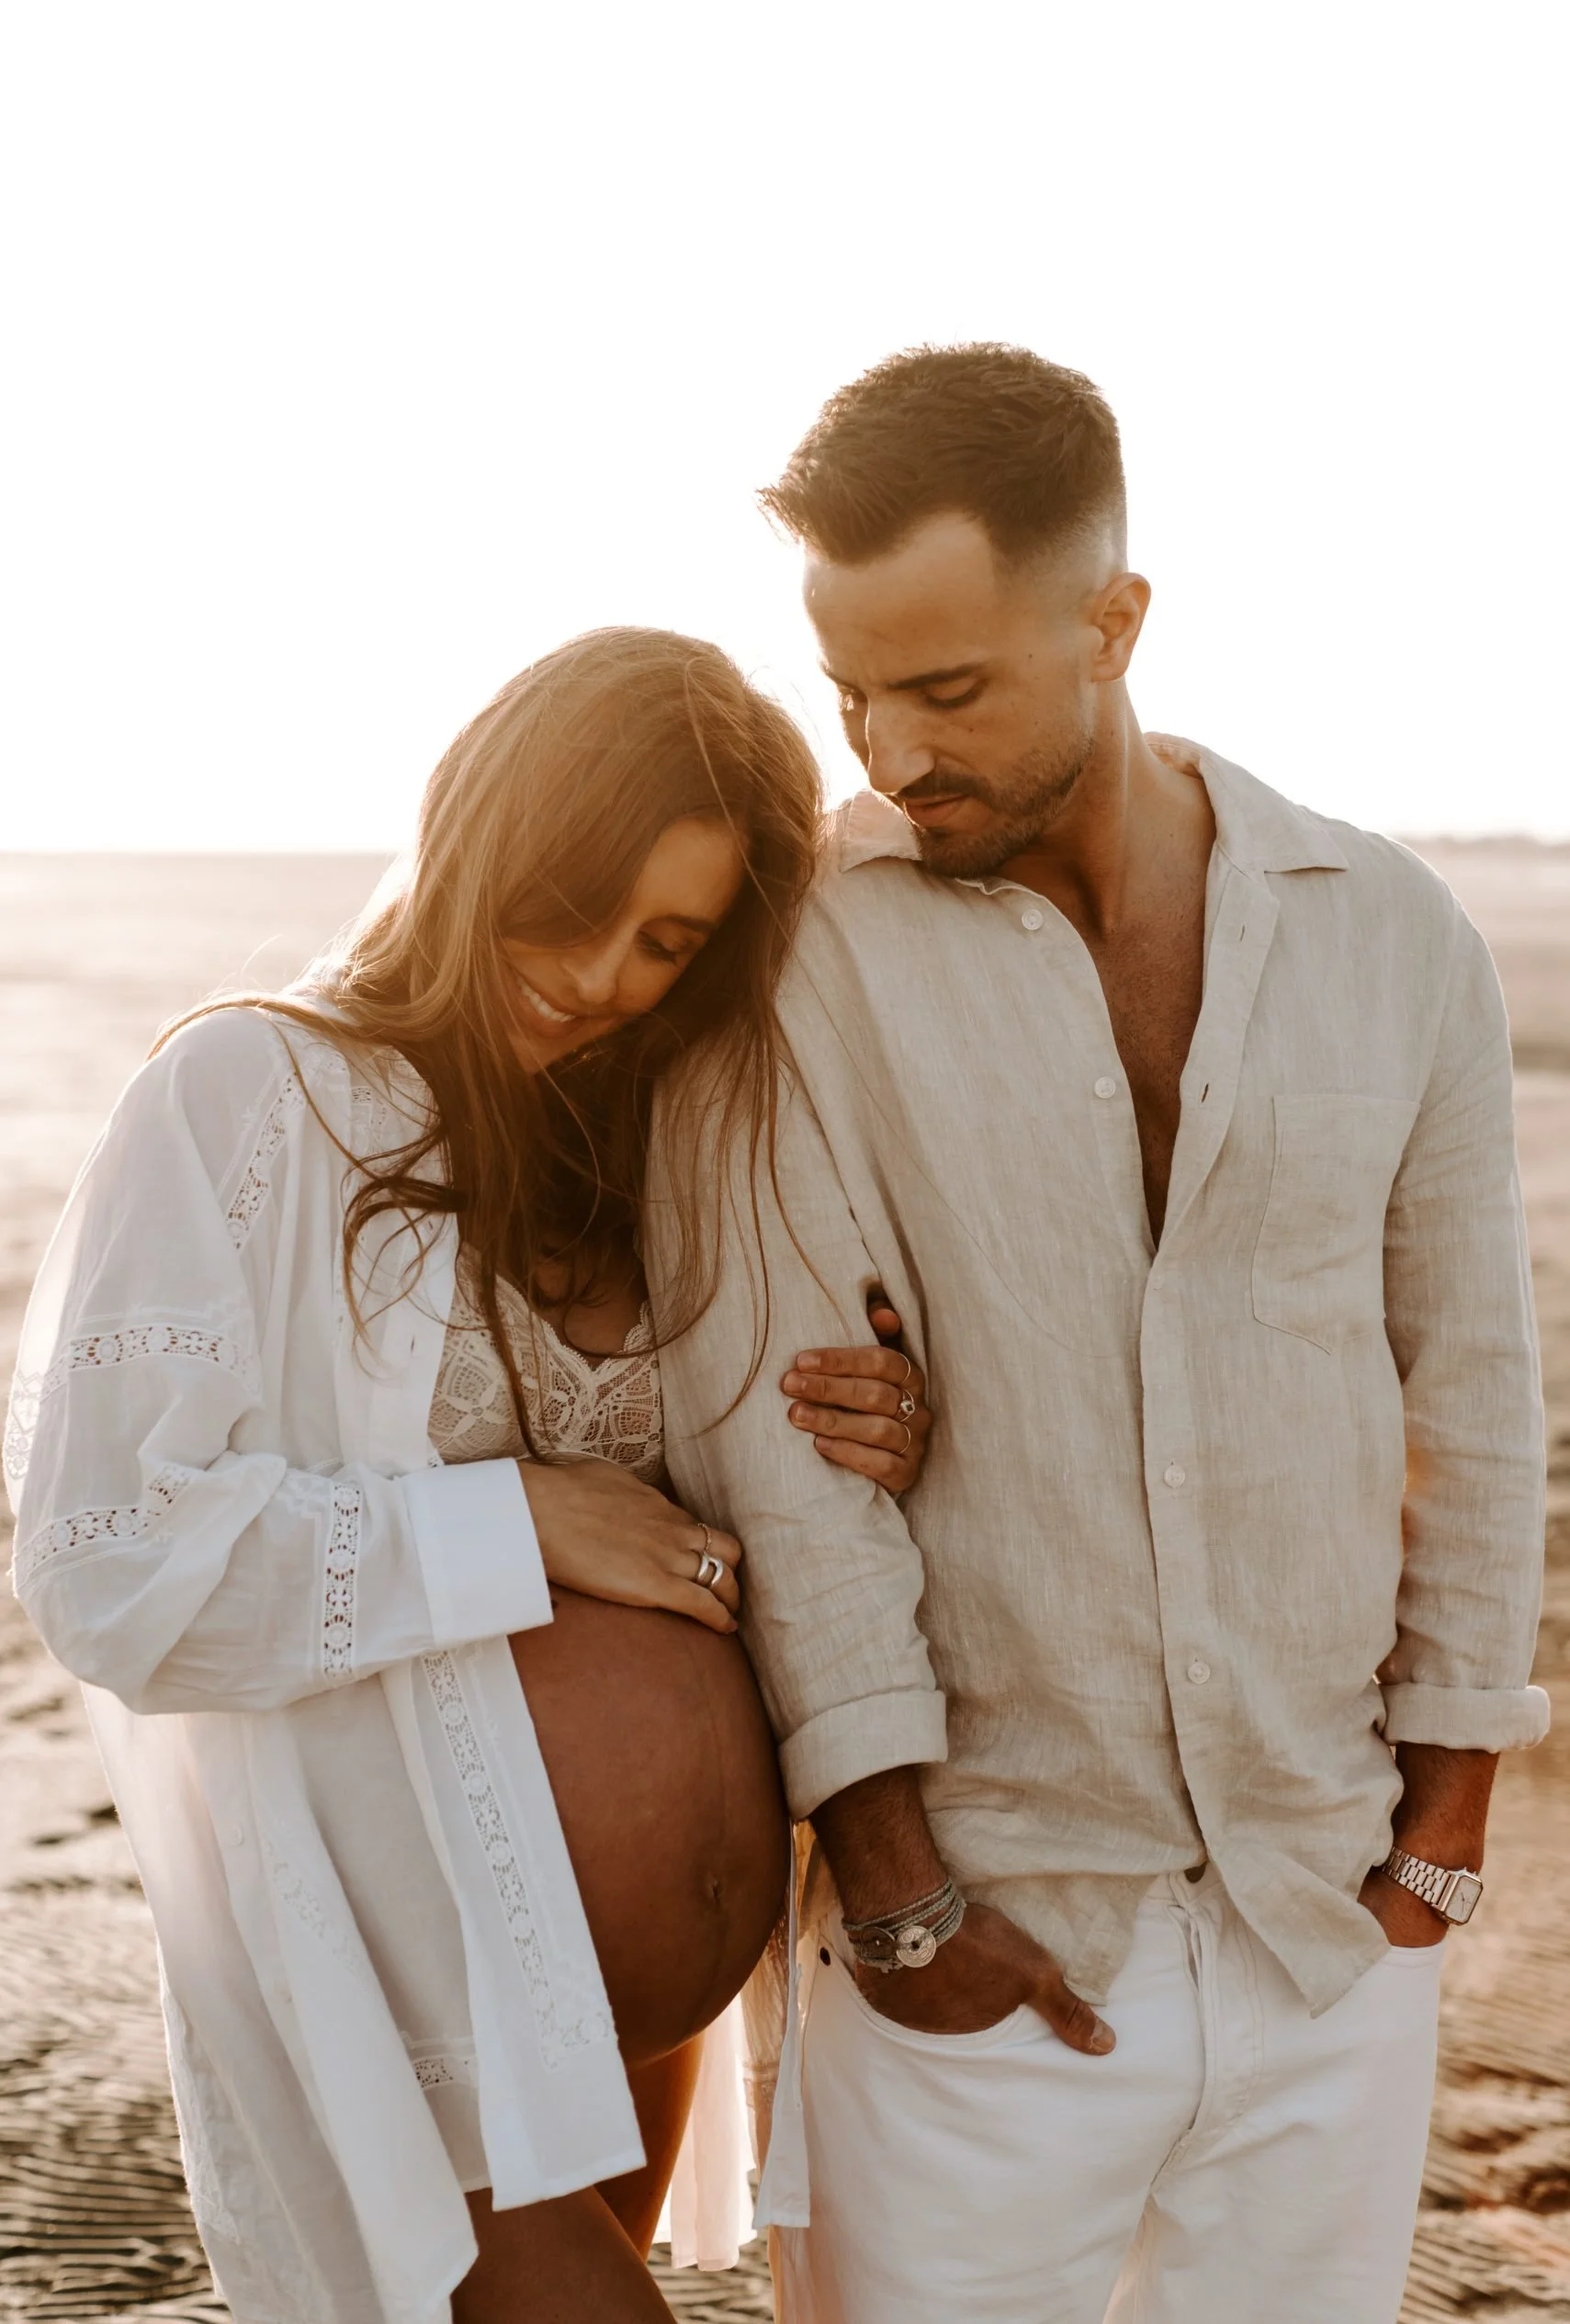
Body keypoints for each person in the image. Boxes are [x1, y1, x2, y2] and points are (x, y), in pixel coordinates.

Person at [648, 345, 1550, 2322]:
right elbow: (776, 1435)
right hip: (975, 1930)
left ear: (1112, 619)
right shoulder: (799, 949)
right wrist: (893, 1881)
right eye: (848, 689)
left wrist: (1442, 1837)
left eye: (946, 688)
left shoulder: (1386, 931)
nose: (887, 747)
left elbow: (1471, 1394)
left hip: (1330, 1924)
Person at [4, 626, 934, 2324]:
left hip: (631, 2018)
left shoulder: (645, 1134)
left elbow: (724, 1487)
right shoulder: (253, 1092)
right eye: (572, 906)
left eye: (666, 942)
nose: (596, 978)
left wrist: (889, 1423)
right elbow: (107, 1561)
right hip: (410, 1982)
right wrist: (515, 1520)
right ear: (477, 824)